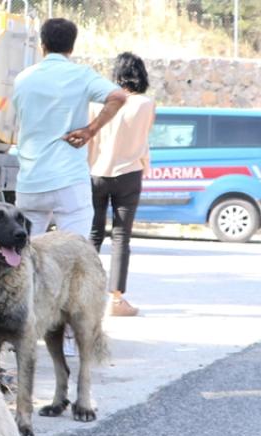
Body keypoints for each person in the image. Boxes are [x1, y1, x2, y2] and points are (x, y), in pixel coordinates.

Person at [10, 18, 128, 239]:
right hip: (68, 179)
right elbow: (118, 96)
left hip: (30, 181)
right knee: (74, 253)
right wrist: (90, 130)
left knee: (26, 253)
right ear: (72, 47)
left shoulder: (23, 79)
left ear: (42, 45)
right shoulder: (81, 75)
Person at [87, 52, 155, 318]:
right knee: (121, 236)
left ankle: (86, 292)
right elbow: (144, 138)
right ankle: (116, 299)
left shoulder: (97, 103)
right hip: (129, 173)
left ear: (117, 74)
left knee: (93, 235)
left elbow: (90, 139)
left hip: (96, 173)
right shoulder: (146, 104)